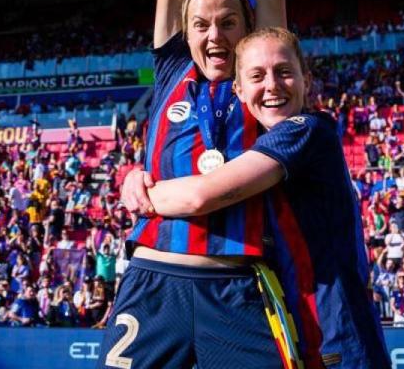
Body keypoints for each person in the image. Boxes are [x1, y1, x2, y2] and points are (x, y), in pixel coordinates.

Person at [99, 0, 291, 369]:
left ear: (248, 29)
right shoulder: (170, 73)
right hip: (153, 284)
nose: (214, 35)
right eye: (201, 24)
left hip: (237, 289)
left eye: (229, 22)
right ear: (186, 32)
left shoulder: (260, 79)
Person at [129, 28, 390, 367]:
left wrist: (139, 191)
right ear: (238, 90)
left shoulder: (305, 130)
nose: (271, 85)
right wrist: (138, 171)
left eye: (284, 72)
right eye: (256, 76)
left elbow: (199, 197)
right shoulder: (261, 147)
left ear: (306, 81)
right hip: (294, 330)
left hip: (338, 336)